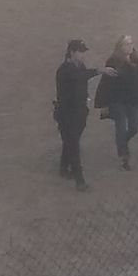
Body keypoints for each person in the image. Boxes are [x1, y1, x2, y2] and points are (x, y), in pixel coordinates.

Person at [54, 39, 116, 191]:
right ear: (72, 52)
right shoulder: (65, 70)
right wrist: (100, 70)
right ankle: (79, 180)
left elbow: (83, 75)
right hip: (67, 113)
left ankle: (63, 167)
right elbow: (80, 77)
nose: (83, 55)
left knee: (70, 141)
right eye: (80, 52)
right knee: (74, 144)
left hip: (80, 111)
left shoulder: (79, 66)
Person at [94, 35, 138, 171]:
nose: (130, 46)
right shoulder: (113, 61)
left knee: (134, 127)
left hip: (133, 99)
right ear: (120, 46)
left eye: (131, 43)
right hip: (117, 99)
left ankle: (123, 143)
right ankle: (124, 155)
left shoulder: (136, 60)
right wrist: (104, 104)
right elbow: (105, 83)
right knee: (121, 125)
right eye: (126, 44)